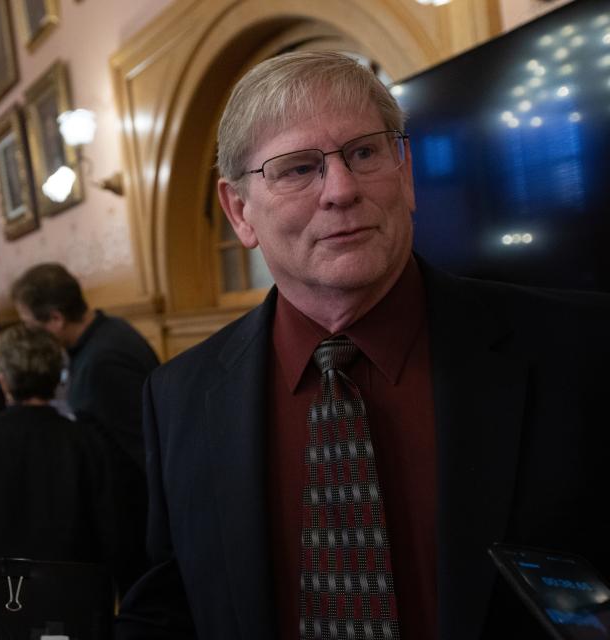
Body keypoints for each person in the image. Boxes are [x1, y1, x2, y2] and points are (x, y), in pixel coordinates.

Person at [115, 51, 610, 640]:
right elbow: (171, 610)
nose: (342, 190)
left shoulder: (583, 347)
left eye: (365, 152)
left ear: (405, 174)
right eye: (298, 168)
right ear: (240, 211)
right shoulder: (177, 398)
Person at [0, 324, 137, 590]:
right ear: (58, 377)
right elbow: (117, 535)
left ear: (3, 379)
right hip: (70, 597)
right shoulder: (90, 443)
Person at [11, 263, 159, 470]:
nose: (29, 333)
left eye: (29, 324)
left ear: (56, 319)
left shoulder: (103, 364)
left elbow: (143, 452)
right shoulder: (110, 328)